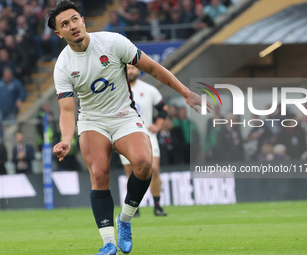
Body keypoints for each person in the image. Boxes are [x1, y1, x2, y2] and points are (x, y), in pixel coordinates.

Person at [48, 1, 210, 255]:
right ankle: (108, 243)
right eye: (64, 24)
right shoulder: (63, 66)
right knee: (100, 174)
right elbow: (68, 110)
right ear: (59, 33)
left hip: (124, 115)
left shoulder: (113, 43)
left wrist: (185, 92)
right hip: (92, 121)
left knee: (144, 163)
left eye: (74, 19)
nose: (72, 26)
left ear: (83, 20)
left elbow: (153, 68)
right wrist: (66, 139)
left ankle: (124, 219)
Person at [119, 64, 168, 217]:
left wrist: (158, 126)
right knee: (130, 172)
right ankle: (134, 207)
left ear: (138, 70)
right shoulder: (117, 90)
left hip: (147, 135)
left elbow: (163, 109)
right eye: (127, 68)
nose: (130, 71)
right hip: (125, 136)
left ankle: (157, 205)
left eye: (133, 68)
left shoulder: (149, 90)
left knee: (153, 169)